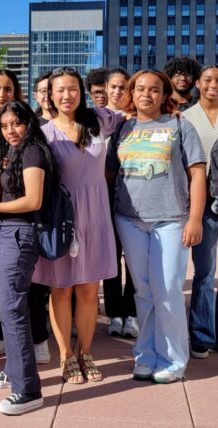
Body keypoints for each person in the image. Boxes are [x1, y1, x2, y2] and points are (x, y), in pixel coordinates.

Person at [107, 70, 206, 383]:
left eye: (154, 90)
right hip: (129, 219)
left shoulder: (179, 125)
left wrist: (195, 218)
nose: (145, 95)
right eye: (139, 89)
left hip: (172, 220)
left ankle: (173, 360)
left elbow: (198, 174)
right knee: (144, 291)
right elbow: (110, 175)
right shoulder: (123, 128)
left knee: (168, 291)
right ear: (132, 93)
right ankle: (146, 356)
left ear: (165, 95)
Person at [32, 67, 122, 384]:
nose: (66, 95)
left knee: (88, 291)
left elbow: (132, 108)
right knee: (60, 290)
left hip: (96, 216)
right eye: (60, 90)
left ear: (80, 91)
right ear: (49, 95)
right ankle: (66, 356)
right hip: (62, 218)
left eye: (72, 89)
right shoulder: (42, 132)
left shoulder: (97, 121)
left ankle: (85, 352)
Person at [0, 101, 53, 415]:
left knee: (13, 310)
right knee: (6, 308)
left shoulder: (32, 152)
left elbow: (33, 200)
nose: (10, 130)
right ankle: (15, 370)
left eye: (16, 123)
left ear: (29, 123)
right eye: (4, 125)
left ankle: (28, 390)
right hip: (6, 232)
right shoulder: (12, 153)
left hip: (19, 233)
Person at [183, 64, 218, 359]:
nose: (213, 85)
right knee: (205, 271)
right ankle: (202, 332)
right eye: (208, 80)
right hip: (203, 200)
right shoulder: (186, 117)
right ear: (198, 83)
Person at [103, 68, 138, 338]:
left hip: (133, 197)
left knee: (134, 259)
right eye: (113, 86)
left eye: (123, 86)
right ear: (105, 88)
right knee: (111, 258)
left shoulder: (138, 120)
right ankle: (114, 313)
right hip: (103, 196)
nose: (118, 91)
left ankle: (132, 313)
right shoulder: (96, 120)